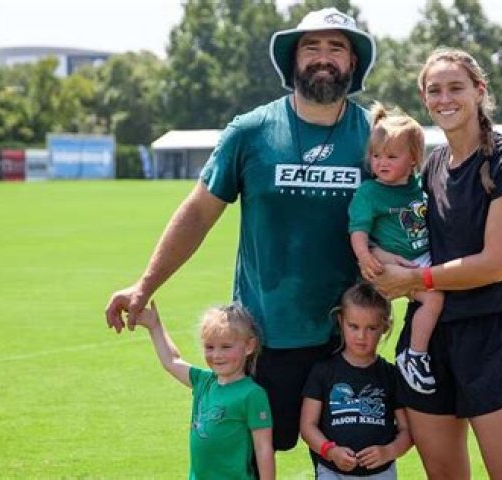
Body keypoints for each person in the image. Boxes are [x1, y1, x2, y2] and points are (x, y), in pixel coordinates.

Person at [105, 8, 377, 452]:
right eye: (311, 47)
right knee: (245, 465)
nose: (323, 57)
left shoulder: (376, 136)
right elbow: (198, 214)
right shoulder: (250, 132)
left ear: (353, 62)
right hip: (258, 340)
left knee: (346, 465)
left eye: (337, 48)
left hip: (346, 340)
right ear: (292, 60)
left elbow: (404, 219)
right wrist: (145, 285)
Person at [370, 47, 502, 479]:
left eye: (455, 88)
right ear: (424, 98)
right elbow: (404, 237)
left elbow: (494, 265)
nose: (444, 99)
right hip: (427, 344)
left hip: (490, 339)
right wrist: (381, 263)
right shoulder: (431, 167)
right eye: (434, 91)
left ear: (479, 90)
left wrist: (414, 278)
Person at [348, 102, 443, 395]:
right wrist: (365, 256)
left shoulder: (419, 186)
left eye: (391, 156)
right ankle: (414, 355)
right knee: (434, 298)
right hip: (389, 265)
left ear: (414, 159)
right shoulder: (370, 192)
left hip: (421, 257)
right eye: (376, 156)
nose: (381, 163)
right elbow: (358, 230)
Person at [135, 301, 274, 479]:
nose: (217, 355)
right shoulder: (203, 381)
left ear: (249, 346)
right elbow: (172, 361)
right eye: (209, 347)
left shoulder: (252, 394)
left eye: (226, 347)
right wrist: (154, 326)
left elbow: (263, 448)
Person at [300, 283, 412, 479]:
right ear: (341, 321)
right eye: (353, 326)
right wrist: (330, 451)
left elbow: (408, 431)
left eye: (371, 328)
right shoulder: (323, 371)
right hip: (332, 472)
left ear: (385, 327)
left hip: (381, 473)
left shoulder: (391, 375)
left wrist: (389, 451)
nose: (361, 336)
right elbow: (307, 426)